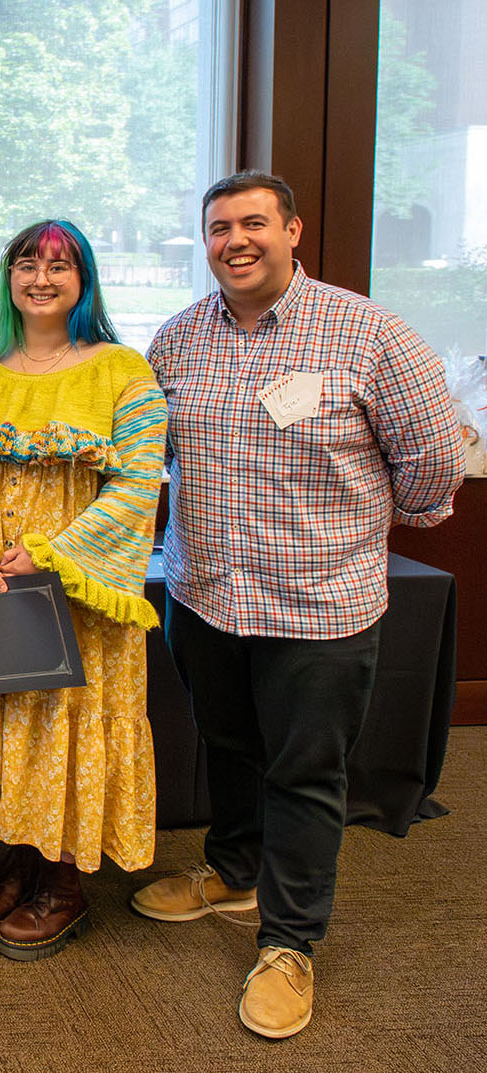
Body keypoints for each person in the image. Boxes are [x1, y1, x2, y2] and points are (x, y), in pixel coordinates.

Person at [136, 171, 464, 1039]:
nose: (234, 241)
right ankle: (234, 872)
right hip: (205, 598)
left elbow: (431, 464)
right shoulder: (175, 341)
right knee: (231, 745)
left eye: (252, 223)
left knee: (307, 774)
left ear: (293, 230)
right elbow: (145, 455)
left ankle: (289, 942)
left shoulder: (369, 334)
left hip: (319, 608)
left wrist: (363, 529)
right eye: (217, 228)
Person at [0, 218, 166, 962]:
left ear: (83, 280)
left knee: (68, 725)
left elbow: (136, 487)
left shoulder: (122, 369)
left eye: (58, 266)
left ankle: (64, 882)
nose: (41, 277)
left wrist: (54, 555)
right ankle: (25, 855)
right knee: (13, 723)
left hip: (77, 593)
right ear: (8, 277)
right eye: (26, 264)